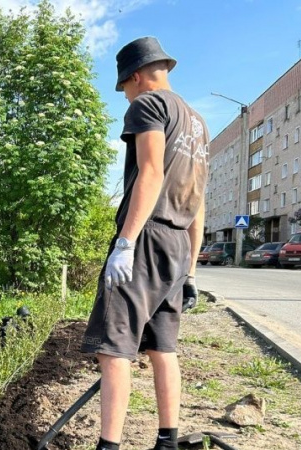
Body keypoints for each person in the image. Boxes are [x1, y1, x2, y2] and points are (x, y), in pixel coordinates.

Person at [80, 36, 208, 450]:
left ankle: (108, 446)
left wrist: (125, 243)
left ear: (135, 76)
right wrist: (191, 272)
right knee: (161, 347)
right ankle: (168, 442)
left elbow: (151, 173)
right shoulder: (196, 122)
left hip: (147, 239)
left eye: (123, 88)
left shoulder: (148, 105)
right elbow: (197, 199)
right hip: (178, 245)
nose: (125, 96)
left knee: (113, 349)